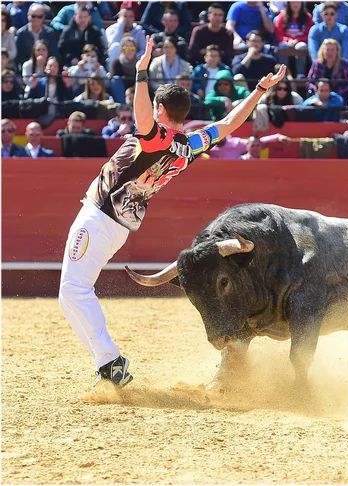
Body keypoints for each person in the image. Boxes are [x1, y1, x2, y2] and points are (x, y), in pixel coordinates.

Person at [58, 35, 287, 388]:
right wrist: (258, 89)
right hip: (117, 226)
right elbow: (228, 124)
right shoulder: (187, 145)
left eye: (155, 106)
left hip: (100, 217)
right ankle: (106, 362)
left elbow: (142, 115)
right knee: (71, 293)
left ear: (162, 110)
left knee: (73, 290)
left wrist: (141, 72)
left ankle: (110, 361)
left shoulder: (158, 137)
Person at [307, 38, 348, 104]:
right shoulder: (316, 64)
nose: (330, 52)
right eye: (327, 50)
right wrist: (318, 91)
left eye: (332, 50)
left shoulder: (344, 64)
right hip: (318, 97)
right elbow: (309, 82)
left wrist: (332, 94)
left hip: (338, 98)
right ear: (323, 51)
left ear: (337, 51)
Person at [14, 3, 58, 71]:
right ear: (28, 16)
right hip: (27, 68)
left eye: (39, 16)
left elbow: (54, 53)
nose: (36, 19)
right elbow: (19, 57)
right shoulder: (21, 33)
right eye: (33, 16)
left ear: (43, 17)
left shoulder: (50, 33)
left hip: (46, 68)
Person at [274, 1, 313, 76]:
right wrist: (288, 40)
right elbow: (278, 34)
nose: (295, 4)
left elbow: (308, 34)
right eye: (293, 2)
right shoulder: (282, 16)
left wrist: (297, 40)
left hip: (300, 41)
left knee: (301, 46)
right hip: (286, 42)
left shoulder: (308, 17)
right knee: (283, 46)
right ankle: (284, 74)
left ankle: (300, 74)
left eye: (298, 2)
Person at [209, 133, 291, 159]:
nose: (219, 138)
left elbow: (256, 143)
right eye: (216, 137)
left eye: (221, 135)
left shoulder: (235, 143)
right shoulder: (209, 150)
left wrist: (277, 137)